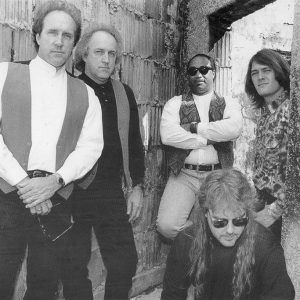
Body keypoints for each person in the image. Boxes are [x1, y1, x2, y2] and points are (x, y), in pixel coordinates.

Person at [0, 1, 103, 299]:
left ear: (74, 42)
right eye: (52, 32)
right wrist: (25, 185)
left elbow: (90, 147)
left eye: (67, 35)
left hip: (55, 199)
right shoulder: (4, 75)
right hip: (7, 197)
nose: (59, 41)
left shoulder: (86, 94)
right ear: (37, 36)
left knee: (44, 286)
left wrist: (54, 182)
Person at [62, 23, 144, 300]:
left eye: (111, 53)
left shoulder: (123, 93)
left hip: (109, 191)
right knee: (73, 266)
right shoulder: (68, 89)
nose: (106, 59)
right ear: (84, 54)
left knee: (125, 261)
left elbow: (135, 144)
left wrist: (137, 187)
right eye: (99, 52)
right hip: (73, 191)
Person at [161, 168, 295, 300]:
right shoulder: (187, 241)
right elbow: (171, 295)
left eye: (239, 221)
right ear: (206, 213)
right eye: (220, 222)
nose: (230, 230)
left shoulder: (266, 247)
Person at [157, 53, 243, 239]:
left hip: (217, 175)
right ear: (188, 76)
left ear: (214, 73)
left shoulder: (228, 102)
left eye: (204, 69)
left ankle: (208, 240)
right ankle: (205, 233)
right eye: (192, 71)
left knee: (224, 222)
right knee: (167, 227)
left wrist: (195, 128)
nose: (199, 74)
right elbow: (168, 136)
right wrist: (206, 140)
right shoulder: (175, 103)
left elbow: (233, 129)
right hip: (184, 174)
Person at [245, 49, 290, 239]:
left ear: (279, 72)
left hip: (285, 214)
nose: (260, 77)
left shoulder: (291, 112)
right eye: (255, 73)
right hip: (263, 204)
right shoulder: (266, 113)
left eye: (266, 71)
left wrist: (273, 212)